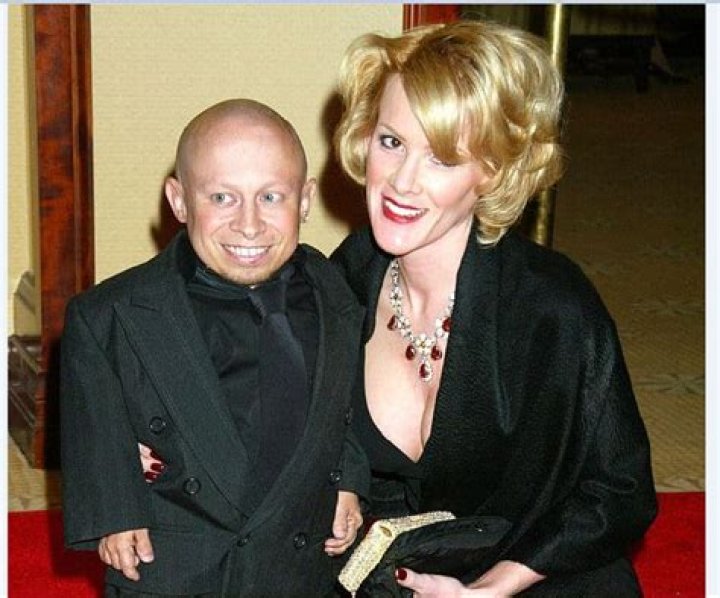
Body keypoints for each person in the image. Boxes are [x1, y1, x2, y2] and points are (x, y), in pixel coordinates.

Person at [329, 20, 657, 596]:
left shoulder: (553, 308)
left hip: (520, 568)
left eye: (442, 158)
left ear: (493, 172)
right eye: (391, 142)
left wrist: (490, 590)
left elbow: (620, 492)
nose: (402, 182)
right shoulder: (343, 277)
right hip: (380, 571)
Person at [60, 99, 368, 597]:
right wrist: (116, 513)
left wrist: (347, 480)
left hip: (297, 562)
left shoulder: (334, 292)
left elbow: (343, 406)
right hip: (178, 560)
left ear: (305, 200)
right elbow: (96, 420)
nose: (249, 224)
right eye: (222, 197)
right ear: (179, 201)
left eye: (272, 197)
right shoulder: (110, 314)